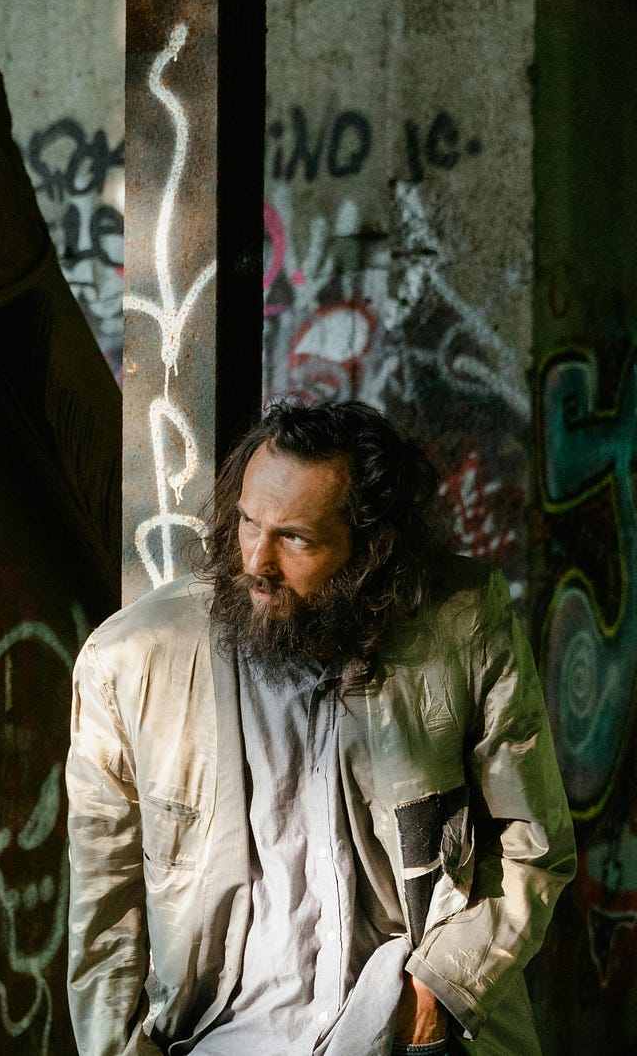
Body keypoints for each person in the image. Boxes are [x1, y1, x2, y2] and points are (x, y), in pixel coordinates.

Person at [66, 400, 575, 1055]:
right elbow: (103, 913)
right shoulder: (129, 661)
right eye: (249, 523)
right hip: (220, 1034)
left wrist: (437, 992)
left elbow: (534, 844)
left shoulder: (462, 623)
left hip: (406, 1024)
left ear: (371, 547)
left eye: (295, 539)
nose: (257, 560)